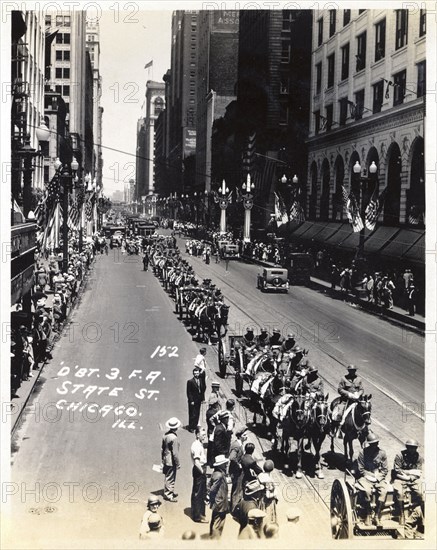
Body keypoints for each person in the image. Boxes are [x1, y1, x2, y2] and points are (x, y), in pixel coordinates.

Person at [357, 432, 389, 526]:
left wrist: (377, 477)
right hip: (365, 477)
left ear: (378, 443)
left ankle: (377, 516)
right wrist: (369, 476)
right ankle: (368, 514)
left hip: (378, 478)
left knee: (384, 491)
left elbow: (385, 470)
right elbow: (361, 469)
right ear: (369, 444)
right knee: (367, 490)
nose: (374, 446)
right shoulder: (362, 453)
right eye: (371, 444)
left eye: (375, 444)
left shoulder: (382, 453)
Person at [392, 439, 424, 524]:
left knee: (421, 492)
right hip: (400, 478)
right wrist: (410, 472)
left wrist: (410, 477)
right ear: (407, 447)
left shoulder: (419, 457)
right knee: (400, 493)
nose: (412, 450)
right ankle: (401, 515)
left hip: (413, 479)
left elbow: (419, 471)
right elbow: (397, 470)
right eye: (410, 447)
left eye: (414, 448)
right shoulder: (399, 455)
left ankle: (422, 515)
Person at [331, 365, 364, 435]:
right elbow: (340, 389)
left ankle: (365, 429)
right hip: (346, 400)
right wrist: (348, 393)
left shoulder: (359, 379)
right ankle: (337, 428)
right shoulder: (344, 379)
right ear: (348, 371)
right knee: (338, 413)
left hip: (356, 400)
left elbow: (361, 389)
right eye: (351, 370)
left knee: (365, 412)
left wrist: (358, 394)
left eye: (354, 370)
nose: (352, 372)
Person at [208, 454, 230, 539]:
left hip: (217, 502)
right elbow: (212, 489)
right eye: (224, 463)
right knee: (218, 523)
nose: (226, 464)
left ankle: (213, 536)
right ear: (221, 465)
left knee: (215, 520)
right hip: (220, 503)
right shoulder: (219, 475)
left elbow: (209, 485)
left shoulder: (215, 473)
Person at [190, 427, 208, 523]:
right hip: (199, 469)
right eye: (203, 434)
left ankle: (197, 513)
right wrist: (203, 473)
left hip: (199, 469)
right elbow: (197, 462)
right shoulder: (196, 446)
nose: (204, 436)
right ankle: (198, 516)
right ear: (197, 435)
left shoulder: (198, 444)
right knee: (199, 494)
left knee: (198, 492)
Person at [161, 417, 181, 502]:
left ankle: (169, 491)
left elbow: (162, 448)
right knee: (171, 477)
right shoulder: (174, 438)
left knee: (167, 476)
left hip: (166, 458)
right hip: (171, 461)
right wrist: (178, 463)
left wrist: (162, 459)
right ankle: (169, 495)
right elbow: (175, 453)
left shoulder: (165, 435)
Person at [228, 427, 249, 511]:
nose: (246, 436)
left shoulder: (239, 444)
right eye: (244, 435)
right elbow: (232, 457)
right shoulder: (236, 445)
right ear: (240, 436)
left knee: (236, 489)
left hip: (237, 471)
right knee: (237, 489)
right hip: (236, 472)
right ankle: (234, 508)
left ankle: (234, 506)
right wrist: (239, 465)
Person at [258, 459, 278, 524]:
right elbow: (269, 495)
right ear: (272, 469)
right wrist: (275, 495)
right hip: (268, 501)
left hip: (261, 498)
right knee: (268, 514)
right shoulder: (269, 480)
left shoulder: (260, 475)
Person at [186, 367, 206, 432]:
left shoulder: (200, 380)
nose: (196, 375)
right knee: (192, 414)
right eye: (195, 373)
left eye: (197, 373)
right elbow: (189, 392)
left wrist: (202, 398)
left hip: (198, 400)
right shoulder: (190, 381)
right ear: (193, 374)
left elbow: (202, 389)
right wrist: (191, 400)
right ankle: (191, 427)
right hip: (193, 401)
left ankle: (195, 425)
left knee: (197, 413)